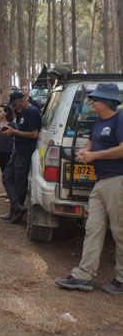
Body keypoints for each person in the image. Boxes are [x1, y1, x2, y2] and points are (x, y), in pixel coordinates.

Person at [55, 83, 123, 295]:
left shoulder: (120, 119)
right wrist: (84, 153)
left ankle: (121, 278)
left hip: (117, 180)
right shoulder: (97, 121)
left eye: (96, 98)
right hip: (100, 182)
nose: (91, 101)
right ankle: (83, 276)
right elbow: (90, 143)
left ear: (108, 102)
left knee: (120, 230)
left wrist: (94, 156)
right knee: (93, 228)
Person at [0, 91, 42, 223]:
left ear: (21, 101)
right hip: (17, 150)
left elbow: (34, 134)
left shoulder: (33, 112)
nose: (13, 107)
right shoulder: (22, 113)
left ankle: (16, 212)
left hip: (25, 152)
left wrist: (14, 132)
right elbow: (21, 130)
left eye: (14, 104)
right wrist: (12, 131)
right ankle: (16, 207)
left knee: (20, 183)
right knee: (6, 176)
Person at [0, 104, 16, 174]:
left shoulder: (12, 124)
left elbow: (16, 137)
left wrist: (14, 151)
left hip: (9, 152)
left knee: (8, 172)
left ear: (6, 113)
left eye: (1, 111)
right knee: (3, 172)